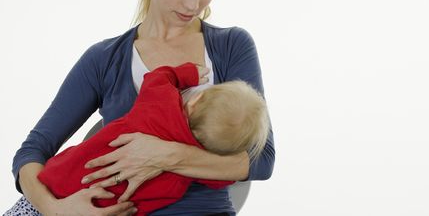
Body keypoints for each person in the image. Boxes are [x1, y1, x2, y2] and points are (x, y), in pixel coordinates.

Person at [9, 0, 275, 215]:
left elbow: (261, 161)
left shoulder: (231, 46)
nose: (194, 4)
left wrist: (164, 155)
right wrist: (56, 210)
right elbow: (31, 152)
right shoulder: (104, 60)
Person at [36, 62, 269, 215]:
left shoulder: (160, 102)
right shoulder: (191, 172)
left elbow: (157, 76)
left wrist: (186, 73)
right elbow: (224, 178)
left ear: (196, 100)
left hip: (58, 180)